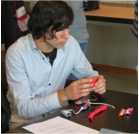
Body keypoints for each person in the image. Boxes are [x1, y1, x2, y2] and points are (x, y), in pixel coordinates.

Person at [6, 1, 106, 122]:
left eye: (68, 27)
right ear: (42, 27)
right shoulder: (17, 53)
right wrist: (63, 95)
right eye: (60, 29)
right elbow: (25, 109)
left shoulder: (70, 44)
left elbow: (89, 74)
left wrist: (97, 81)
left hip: (60, 116)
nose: (67, 35)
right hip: (25, 121)